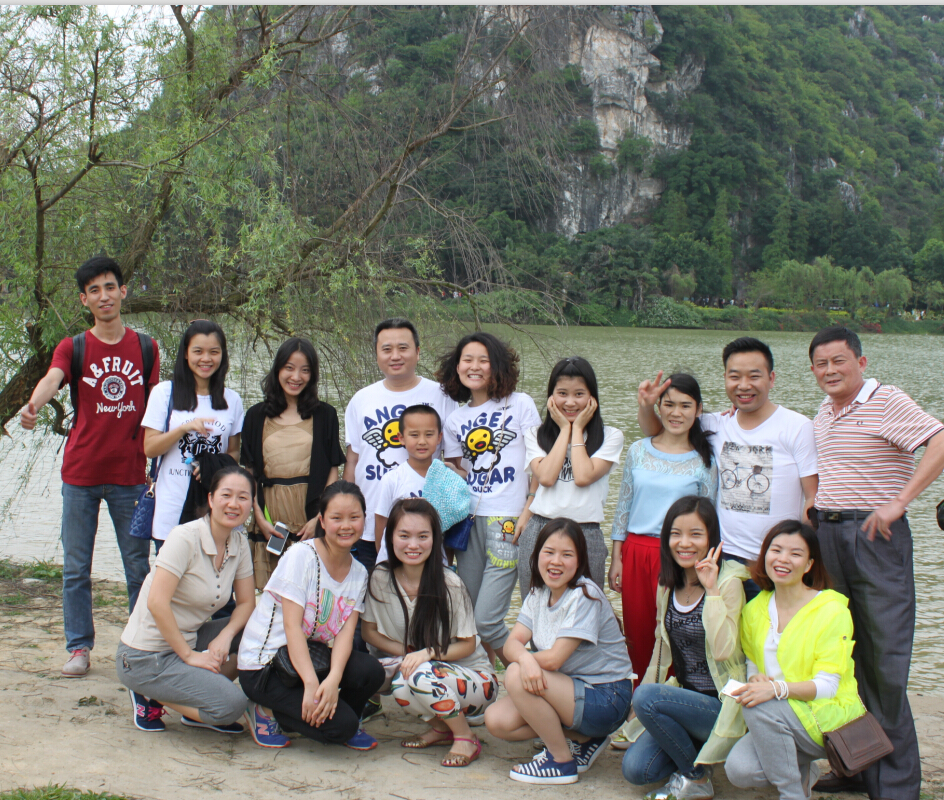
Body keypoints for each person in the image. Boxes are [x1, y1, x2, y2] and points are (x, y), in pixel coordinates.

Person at [807, 326, 944, 800]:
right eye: (821, 364)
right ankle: (854, 766)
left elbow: (939, 440)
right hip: (829, 535)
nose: (830, 371)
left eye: (839, 361)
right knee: (840, 656)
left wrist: (901, 501)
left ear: (860, 363)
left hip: (875, 534)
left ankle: (897, 786)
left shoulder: (886, 400)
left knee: (884, 663)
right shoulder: (823, 413)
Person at [20, 256, 159, 677]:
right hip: (80, 475)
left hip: (130, 477)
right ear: (85, 299)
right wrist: (33, 404)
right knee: (77, 568)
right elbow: (53, 378)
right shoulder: (74, 346)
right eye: (94, 290)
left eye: (110, 287)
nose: (104, 296)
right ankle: (79, 647)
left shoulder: (146, 347)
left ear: (123, 292)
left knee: (138, 568)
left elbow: (158, 408)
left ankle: (141, 645)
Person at [638, 338, 817, 599]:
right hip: (722, 561)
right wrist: (646, 405)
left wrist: (801, 555)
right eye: (735, 376)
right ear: (725, 378)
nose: (744, 385)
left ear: (772, 378)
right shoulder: (715, 424)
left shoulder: (796, 427)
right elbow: (659, 433)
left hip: (775, 561)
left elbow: (812, 498)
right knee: (722, 636)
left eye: (754, 376)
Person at [238, 481, 385, 751]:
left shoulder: (359, 573)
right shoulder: (301, 557)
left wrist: (333, 680)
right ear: (322, 520)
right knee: (340, 728)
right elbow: (292, 627)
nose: (346, 526)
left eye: (354, 517)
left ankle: (330, 713)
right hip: (266, 666)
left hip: (305, 659)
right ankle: (269, 710)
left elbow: (344, 634)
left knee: (371, 671)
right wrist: (311, 683)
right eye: (336, 518)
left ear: (365, 519)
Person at [485, 518, 634, 785]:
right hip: (571, 693)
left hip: (606, 697)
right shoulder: (538, 593)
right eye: (549, 552)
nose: (556, 562)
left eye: (567, 555)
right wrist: (523, 658)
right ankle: (584, 739)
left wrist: (524, 661)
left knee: (517, 673)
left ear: (579, 560)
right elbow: (511, 644)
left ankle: (561, 760)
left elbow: (554, 659)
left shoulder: (584, 595)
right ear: (536, 554)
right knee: (497, 720)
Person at [726, 520, 863, 800]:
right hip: (778, 717)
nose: (783, 559)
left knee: (756, 705)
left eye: (796, 554)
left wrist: (776, 689)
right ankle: (801, 772)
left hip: (827, 716)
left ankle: (792, 795)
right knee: (740, 770)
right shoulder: (755, 608)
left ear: (810, 564)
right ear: (764, 556)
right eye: (776, 550)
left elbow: (828, 687)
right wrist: (756, 678)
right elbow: (753, 660)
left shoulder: (831, 611)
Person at [621, 496, 747, 800]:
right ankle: (694, 756)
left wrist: (712, 590)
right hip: (684, 701)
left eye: (695, 534)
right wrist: (640, 711)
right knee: (637, 770)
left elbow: (724, 652)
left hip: (721, 705)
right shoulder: (668, 585)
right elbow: (660, 653)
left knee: (647, 697)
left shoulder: (729, 582)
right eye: (676, 534)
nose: (684, 543)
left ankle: (696, 778)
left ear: (712, 539)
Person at [116, 466, 256, 734]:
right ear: (211, 499)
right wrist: (189, 656)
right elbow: (157, 602)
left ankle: (194, 706)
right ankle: (148, 694)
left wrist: (225, 635)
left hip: (188, 637)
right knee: (231, 706)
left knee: (256, 630)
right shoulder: (184, 537)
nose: (234, 504)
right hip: (145, 656)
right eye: (226, 495)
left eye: (243, 497)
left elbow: (248, 603)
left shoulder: (238, 543)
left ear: (251, 503)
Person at [362, 498, 497, 767]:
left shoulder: (450, 584)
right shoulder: (380, 577)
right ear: (391, 537)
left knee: (418, 672)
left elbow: (468, 645)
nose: (413, 545)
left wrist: (426, 654)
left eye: (423, 536)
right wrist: (411, 654)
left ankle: (465, 737)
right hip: (427, 673)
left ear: (435, 539)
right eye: (404, 536)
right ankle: (441, 728)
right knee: (402, 683)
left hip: (475, 680)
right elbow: (369, 632)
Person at [437, 332, 542, 667]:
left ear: (497, 365)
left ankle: (527, 670)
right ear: (457, 368)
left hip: (508, 522)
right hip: (469, 523)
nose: (475, 367)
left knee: (486, 618)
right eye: (467, 360)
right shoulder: (455, 420)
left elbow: (537, 462)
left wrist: (528, 508)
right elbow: (459, 473)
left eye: (483, 360)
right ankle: (501, 678)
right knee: (470, 615)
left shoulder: (520, 403)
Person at [610, 373, 717, 683]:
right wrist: (617, 556)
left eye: (685, 406)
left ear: (698, 410)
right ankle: (637, 700)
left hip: (679, 554)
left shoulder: (704, 460)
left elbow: (709, 519)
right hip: (636, 550)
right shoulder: (639, 450)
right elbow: (623, 506)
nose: (676, 413)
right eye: (668, 404)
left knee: (672, 629)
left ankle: (672, 697)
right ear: (658, 406)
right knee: (639, 629)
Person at [344, 318, 457, 573]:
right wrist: (350, 509)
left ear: (417, 352)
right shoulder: (361, 399)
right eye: (386, 349)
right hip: (372, 518)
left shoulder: (442, 396)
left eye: (403, 348)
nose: (395, 356)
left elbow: (454, 459)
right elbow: (352, 460)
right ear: (376, 354)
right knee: (375, 599)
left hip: (426, 527)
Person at [241, 338, 343, 588]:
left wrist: (321, 516)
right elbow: (249, 472)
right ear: (277, 370)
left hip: (310, 514)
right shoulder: (256, 415)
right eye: (289, 367)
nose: (296, 376)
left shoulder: (325, 415)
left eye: (305, 370)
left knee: (312, 589)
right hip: (269, 515)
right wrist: (259, 518)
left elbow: (333, 470)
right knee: (271, 593)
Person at [517, 357, 624, 591]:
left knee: (585, 612)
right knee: (534, 611)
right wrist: (565, 429)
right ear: (551, 396)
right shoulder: (535, 434)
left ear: (592, 397)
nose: (570, 402)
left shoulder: (611, 436)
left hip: (585, 532)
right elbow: (545, 477)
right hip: (540, 529)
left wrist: (575, 430)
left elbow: (584, 476)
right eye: (562, 393)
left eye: (579, 394)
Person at [142, 320, 243, 550]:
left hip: (215, 511)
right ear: (186, 354)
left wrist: (214, 467)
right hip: (171, 510)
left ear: (222, 355)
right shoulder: (164, 393)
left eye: (213, 352)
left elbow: (233, 451)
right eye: (198, 351)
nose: (205, 359)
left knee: (217, 584)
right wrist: (183, 429)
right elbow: (150, 448)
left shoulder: (232, 400)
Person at [372, 405, 444, 563]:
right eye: (414, 435)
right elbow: (381, 524)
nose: (422, 441)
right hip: (396, 563)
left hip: (434, 564)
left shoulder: (446, 480)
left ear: (439, 437)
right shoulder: (393, 479)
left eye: (429, 435)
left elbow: (449, 529)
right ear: (401, 437)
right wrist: (385, 559)